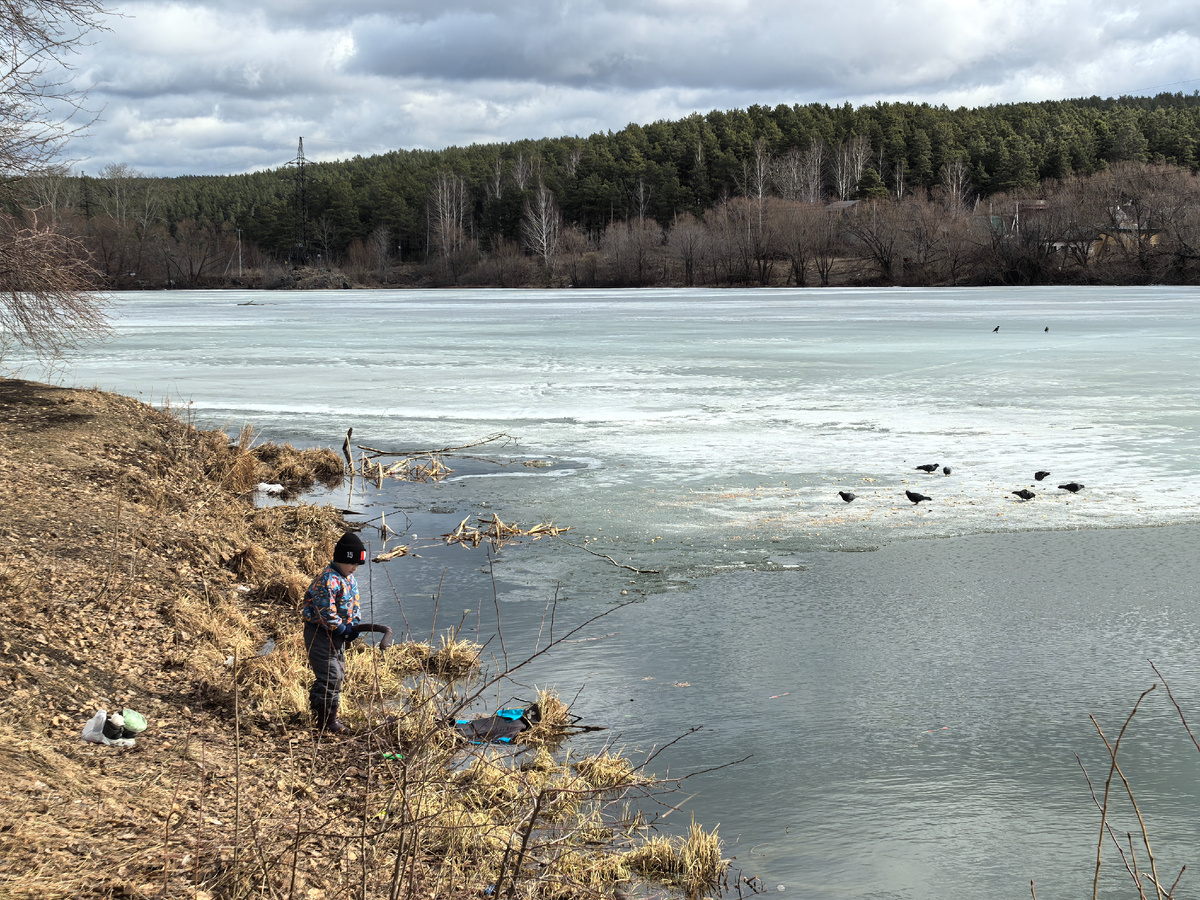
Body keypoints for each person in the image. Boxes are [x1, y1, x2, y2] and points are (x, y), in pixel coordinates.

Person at [302, 531, 367, 733]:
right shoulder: (328, 580)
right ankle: (326, 721)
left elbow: (354, 605)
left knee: (338, 674)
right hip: (320, 634)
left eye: (358, 565)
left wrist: (353, 626)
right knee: (331, 675)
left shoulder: (349, 579)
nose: (355, 568)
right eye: (352, 563)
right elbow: (325, 611)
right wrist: (340, 628)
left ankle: (324, 710)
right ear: (342, 559)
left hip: (338, 636)